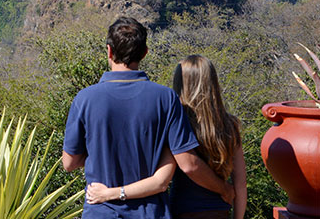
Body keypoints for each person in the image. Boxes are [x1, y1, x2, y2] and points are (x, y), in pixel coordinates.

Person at [62, 17, 234, 218]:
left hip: (101, 211)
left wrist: (101, 154)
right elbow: (188, 163)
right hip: (150, 212)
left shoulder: (85, 99)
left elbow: (69, 163)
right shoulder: (166, 98)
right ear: (144, 53)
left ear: (109, 51)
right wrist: (224, 189)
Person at [86, 56, 247, 219]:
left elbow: (166, 178)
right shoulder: (230, 125)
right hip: (220, 212)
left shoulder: (176, 122)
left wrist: (110, 193)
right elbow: (240, 184)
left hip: (184, 211)